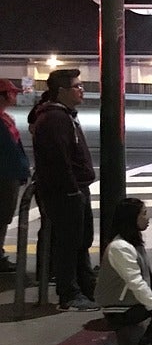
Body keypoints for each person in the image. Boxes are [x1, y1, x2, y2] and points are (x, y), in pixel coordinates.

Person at [30, 68, 98, 310]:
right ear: (61, 91)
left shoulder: (63, 115)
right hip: (67, 193)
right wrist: (72, 191)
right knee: (69, 243)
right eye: (77, 86)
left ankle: (84, 287)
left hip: (74, 189)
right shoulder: (55, 119)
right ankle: (69, 294)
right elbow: (59, 160)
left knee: (80, 241)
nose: (82, 90)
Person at [95, 198, 152, 345]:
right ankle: (150, 338)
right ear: (131, 218)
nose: (148, 218)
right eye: (144, 214)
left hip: (130, 301)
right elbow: (136, 283)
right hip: (119, 310)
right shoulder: (120, 247)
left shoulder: (133, 242)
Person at [0, 79, 30, 274]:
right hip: (5, 175)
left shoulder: (6, 118)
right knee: (2, 216)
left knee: (4, 217)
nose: (15, 96)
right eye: (12, 92)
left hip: (10, 175)